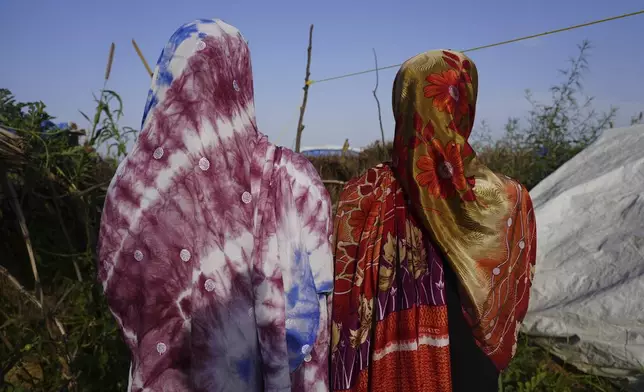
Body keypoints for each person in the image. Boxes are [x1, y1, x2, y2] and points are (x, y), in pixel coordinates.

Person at [97, 19, 333, 391]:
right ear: (240, 76)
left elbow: (123, 297)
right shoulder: (294, 180)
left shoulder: (128, 189)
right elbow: (312, 315)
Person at [330, 50, 537, 392]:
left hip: (385, 371)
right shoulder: (508, 200)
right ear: (465, 103)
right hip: (474, 370)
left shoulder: (364, 194)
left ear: (402, 103)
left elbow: (345, 309)